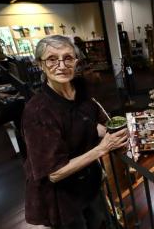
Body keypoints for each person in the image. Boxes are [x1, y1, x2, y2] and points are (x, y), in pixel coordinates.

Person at [22, 35, 128, 229]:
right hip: (63, 197)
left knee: (102, 222)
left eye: (68, 58)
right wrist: (102, 149)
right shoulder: (38, 111)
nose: (62, 65)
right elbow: (54, 173)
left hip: (90, 183)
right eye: (52, 59)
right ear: (40, 64)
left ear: (76, 61)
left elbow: (91, 119)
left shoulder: (80, 89)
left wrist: (112, 134)